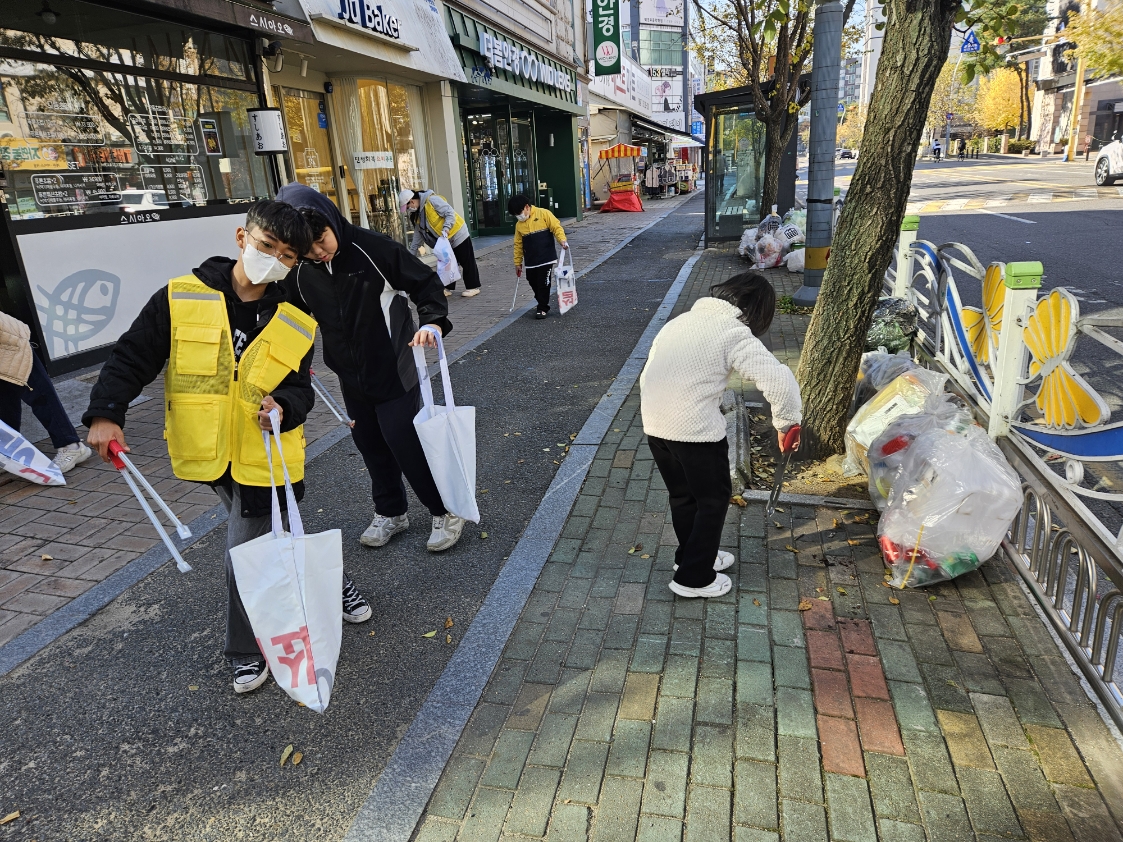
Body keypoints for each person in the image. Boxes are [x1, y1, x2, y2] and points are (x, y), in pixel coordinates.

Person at [82, 200, 373, 695]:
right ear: (242, 238)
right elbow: (133, 355)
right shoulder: (181, 297)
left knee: (245, 550)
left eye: (286, 255)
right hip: (210, 452)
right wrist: (107, 414)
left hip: (267, 455)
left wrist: (283, 405)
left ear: (295, 262)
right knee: (272, 535)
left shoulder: (296, 315)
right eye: (266, 246)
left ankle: (243, 648)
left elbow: (301, 388)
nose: (273, 259)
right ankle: (326, 584)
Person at [275, 183, 465, 553]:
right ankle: (391, 512)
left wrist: (432, 322)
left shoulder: (373, 248)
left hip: (395, 365)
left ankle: (445, 511)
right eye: (307, 249)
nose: (318, 252)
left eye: (322, 241)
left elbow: (425, 284)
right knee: (370, 443)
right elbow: (290, 318)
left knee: (404, 441)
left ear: (332, 221)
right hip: (350, 375)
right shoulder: (300, 269)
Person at [639, 273, 802, 598]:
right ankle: (694, 578)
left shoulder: (680, 321)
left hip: (655, 426)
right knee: (713, 499)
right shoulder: (733, 332)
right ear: (757, 311)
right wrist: (787, 424)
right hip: (695, 431)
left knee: (683, 496)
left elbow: (648, 371)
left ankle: (691, 557)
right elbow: (779, 381)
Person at [0, 312, 93, 472]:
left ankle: (71, 446)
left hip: (10, 344)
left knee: (40, 396)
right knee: (5, 402)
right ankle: (8, 454)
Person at [398, 189, 481, 298]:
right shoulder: (417, 215)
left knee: (466, 260)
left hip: (457, 233)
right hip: (445, 240)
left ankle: (473, 287)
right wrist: (410, 255)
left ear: (412, 201)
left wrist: (446, 228)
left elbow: (449, 213)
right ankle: (447, 288)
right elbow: (417, 237)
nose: (409, 210)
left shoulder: (432, 200)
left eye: (408, 207)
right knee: (447, 264)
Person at [508, 193, 568, 320]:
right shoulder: (519, 225)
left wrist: (562, 240)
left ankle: (542, 307)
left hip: (546, 257)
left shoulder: (543, 214)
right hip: (531, 260)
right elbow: (518, 244)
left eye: (519, 212)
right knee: (531, 280)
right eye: (515, 215)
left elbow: (556, 227)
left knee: (543, 282)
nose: (519, 216)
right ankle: (541, 299)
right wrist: (517, 262)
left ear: (527, 207)